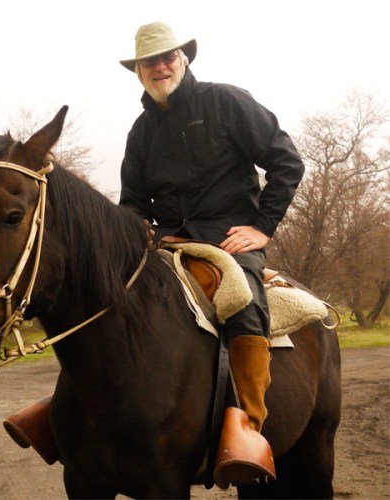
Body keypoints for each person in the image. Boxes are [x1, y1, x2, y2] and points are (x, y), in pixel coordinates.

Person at [119, 22, 305, 488]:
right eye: (149, 62)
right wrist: (140, 230)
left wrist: (262, 227)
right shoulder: (141, 132)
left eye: (167, 57)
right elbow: (132, 203)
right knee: (110, 295)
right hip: (168, 243)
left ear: (183, 59)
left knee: (242, 300)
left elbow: (286, 161)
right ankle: (78, 416)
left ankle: (248, 430)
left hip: (228, 241)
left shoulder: (226, 101)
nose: (159, 67)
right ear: (138, 71)